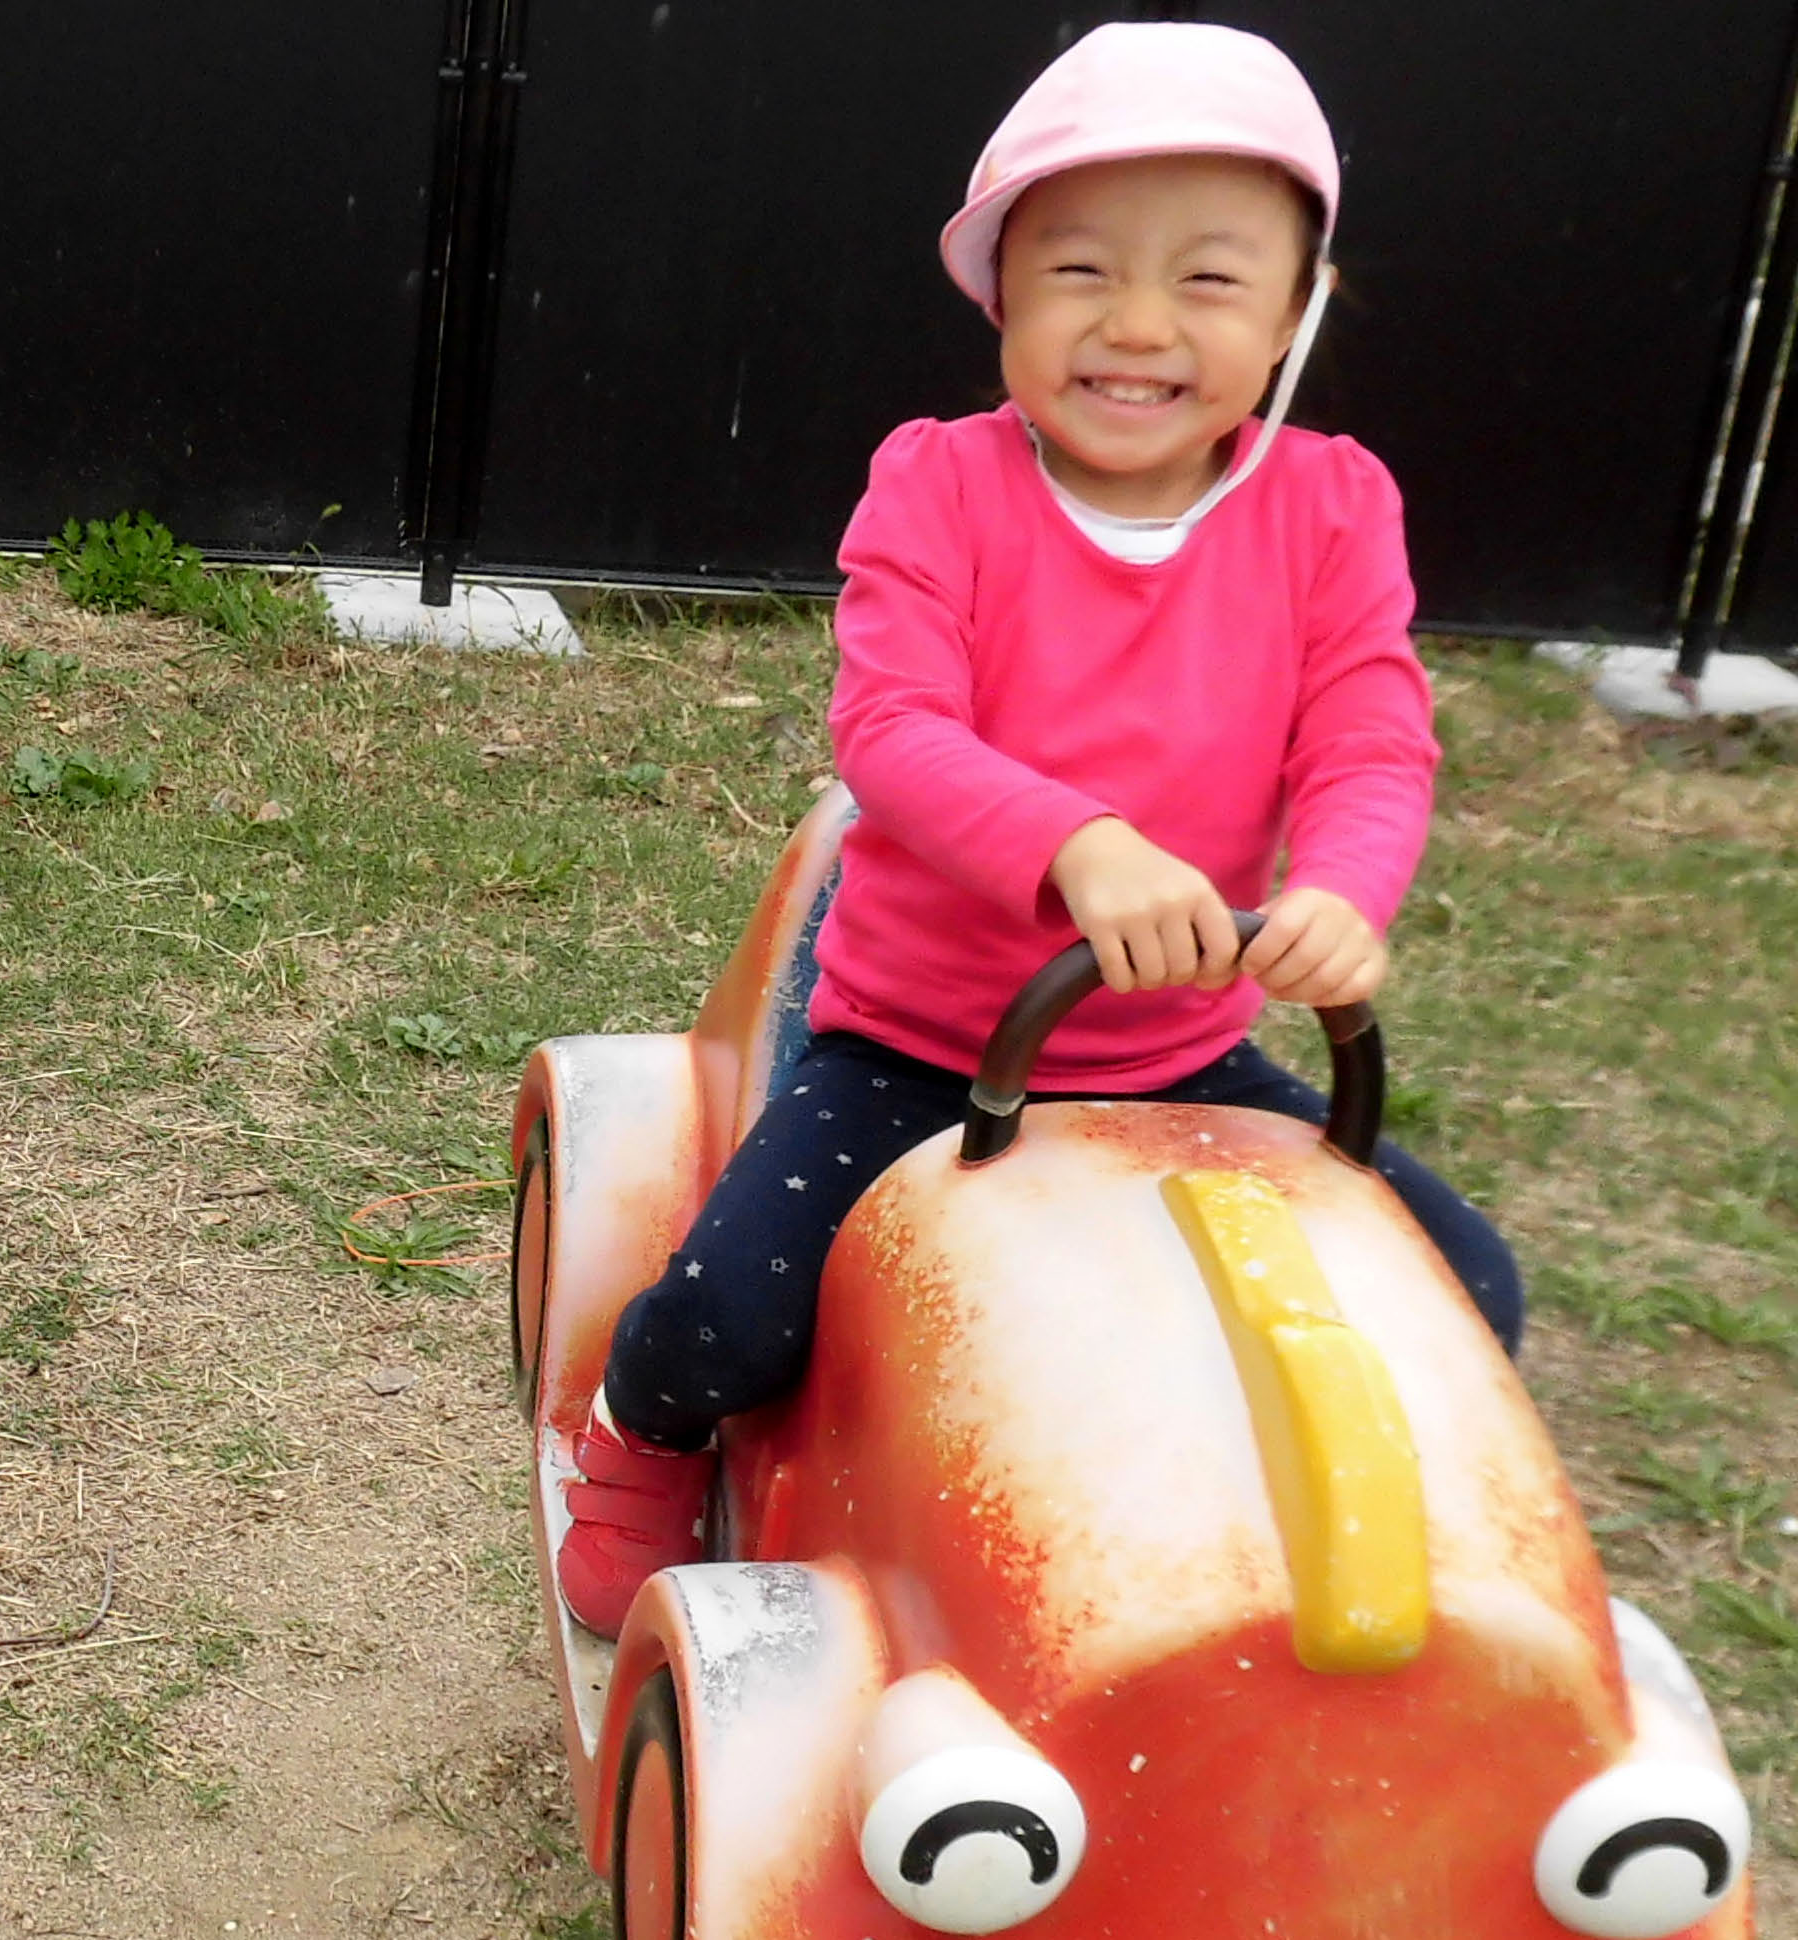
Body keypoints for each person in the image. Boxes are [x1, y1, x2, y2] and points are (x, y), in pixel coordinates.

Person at [554, 23, 1527, 1640]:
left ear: (1296, 310)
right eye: (1080, 269)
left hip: (1185, 1058)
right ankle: (638, 1430)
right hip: (921, 1053)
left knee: (1464, 1283)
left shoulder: (1331, 506)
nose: (1137, 324)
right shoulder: (940, 485)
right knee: (736, 1310)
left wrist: (1346, 892)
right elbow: (893, 729)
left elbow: (1368, 732)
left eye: (1209, 279)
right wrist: (1079, 843)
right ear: (1001, 292)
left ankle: (1277, 1557)